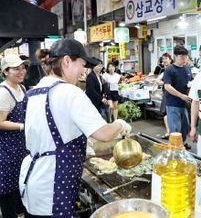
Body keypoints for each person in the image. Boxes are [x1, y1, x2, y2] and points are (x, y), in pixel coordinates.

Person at [19, 39, 131, 217]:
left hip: (34, 183)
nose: (83, 71)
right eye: (82, 64)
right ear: (66, 61)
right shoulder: (70, 92)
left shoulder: (34, 91)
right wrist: (121, 124)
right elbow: (104, 134)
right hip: (54, 187)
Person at [0, 54, 28, 217]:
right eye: (16, 69)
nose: (21, 71)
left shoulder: (21, 88)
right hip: (7, 150)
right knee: (8, 190)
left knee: (20, 185)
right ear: (5, 72)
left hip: (21, 147)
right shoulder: (3, 93)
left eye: (23, 67)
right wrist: (24, 126)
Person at [164, 45, 193, 150]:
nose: (184, 59)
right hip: (173, 104)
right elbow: (167, 86)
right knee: (175, 128)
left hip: (185, 104)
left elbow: (190, 83)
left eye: (186, 57)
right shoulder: (170, 70)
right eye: (182, 57)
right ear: (175, 56)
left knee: (185, 126)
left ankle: (183, 143)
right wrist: (181, 95)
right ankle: (175, 148)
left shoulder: (187, 68)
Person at [157, 53, 173, 139]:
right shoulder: (164, 70)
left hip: (169, 94)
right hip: (166, 93)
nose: (164, 60)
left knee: (166, 113)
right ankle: (169, 132)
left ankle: (169, 132)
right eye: (163, 59)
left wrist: (162, 83)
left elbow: (170, 83)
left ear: (170, 59)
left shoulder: (171, 69)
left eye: (166, 58)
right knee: (166, 113)